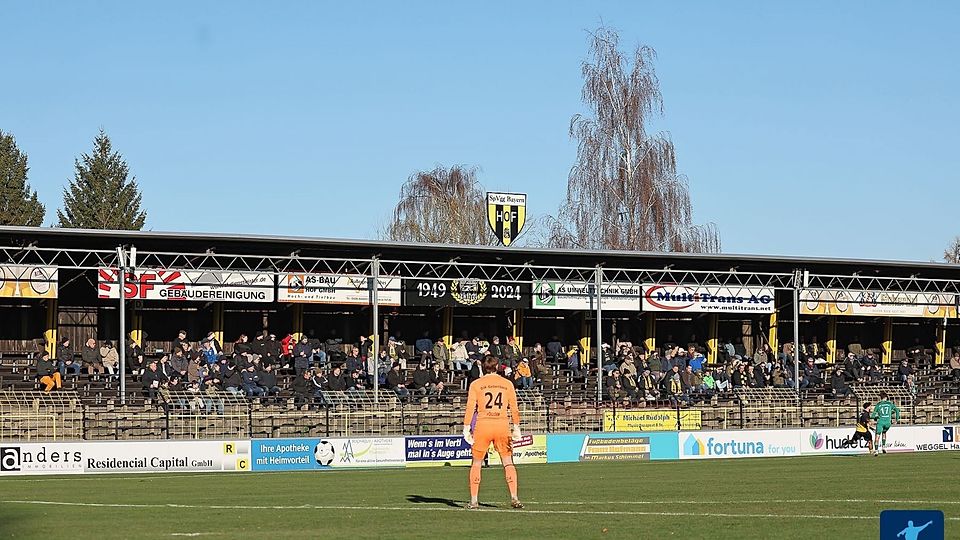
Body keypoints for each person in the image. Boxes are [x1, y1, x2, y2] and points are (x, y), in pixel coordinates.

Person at [462, 355, 523, 510]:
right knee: (508, 462)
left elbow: (470, 407)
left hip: (483, 425)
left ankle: (474, 500)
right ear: (497, 367)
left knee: (476, 463)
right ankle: (514, 497)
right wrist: (516, 427)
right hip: (501, 424)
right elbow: (514, 408)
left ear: (483, 367)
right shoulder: (507, 384)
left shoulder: (476, 384)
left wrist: (466, 427)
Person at [871, 391, 901, 455]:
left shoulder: (878, 405)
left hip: (880, 422)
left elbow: (873, 416)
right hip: (888, 423)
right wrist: (896, 419)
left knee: (877, 436)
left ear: (881, 398)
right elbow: (897, 410)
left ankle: (876, 451)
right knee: (884, 433)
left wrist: (875, 418)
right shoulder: (889, 404)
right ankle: (883, 447)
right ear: (886, 397)